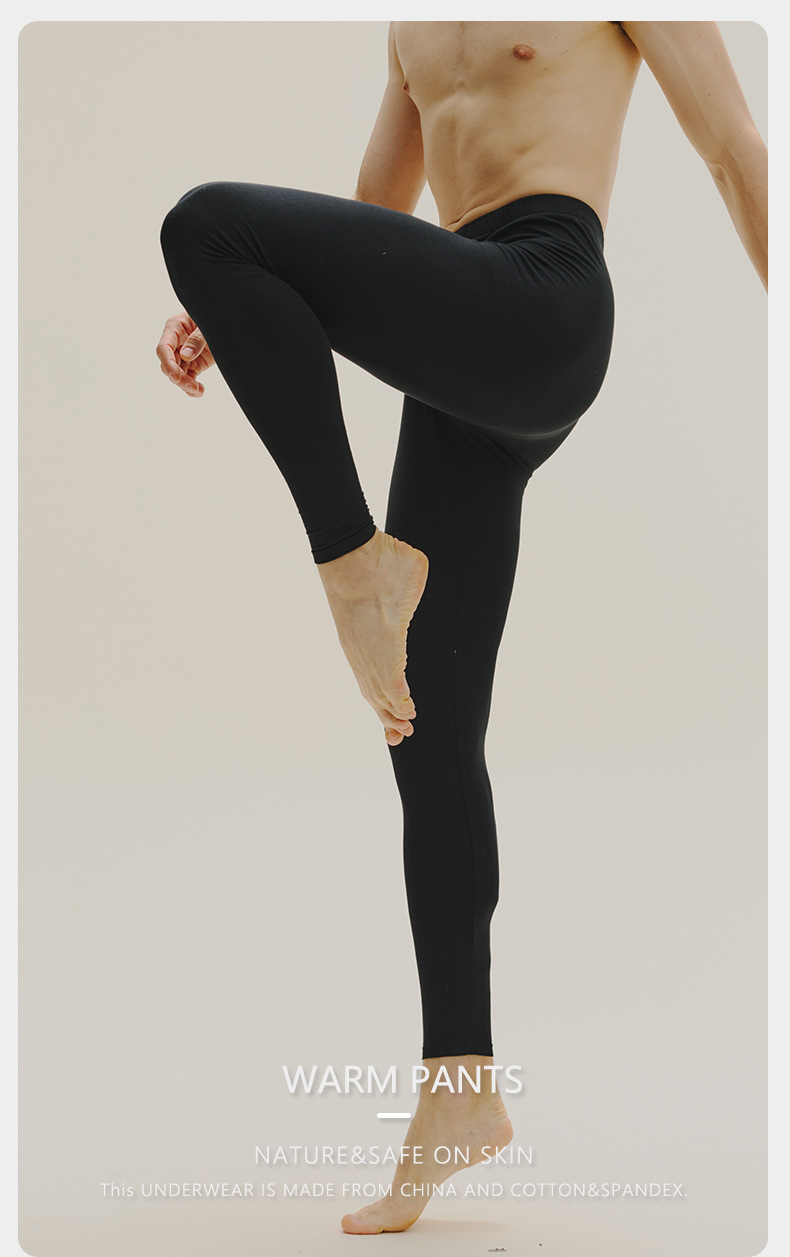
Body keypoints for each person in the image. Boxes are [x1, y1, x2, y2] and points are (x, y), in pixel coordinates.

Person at [156, 21, 767, 1235]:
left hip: (539, 305)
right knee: (424, 734)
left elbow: (733, 147)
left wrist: (243, 261)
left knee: (204, 221)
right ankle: (459, 1088)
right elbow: (374, 215)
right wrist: (245, 309)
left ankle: (351, 565)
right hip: (457, 352)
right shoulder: (411, 27)